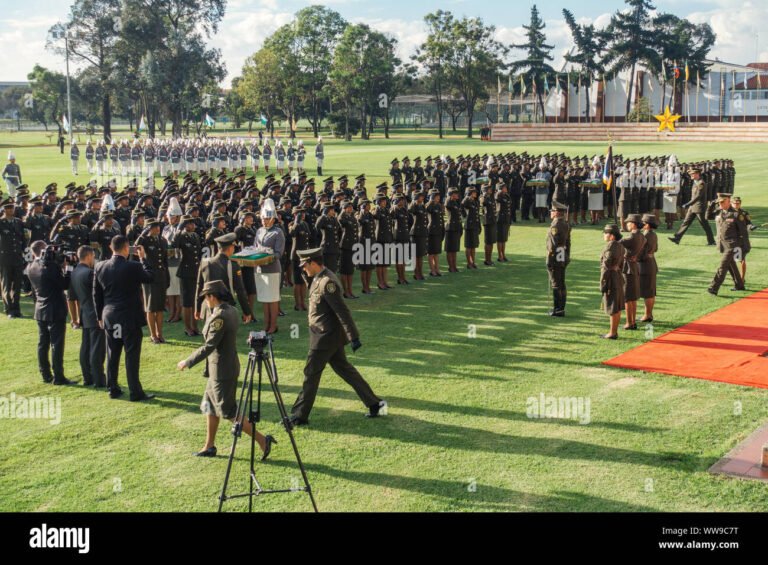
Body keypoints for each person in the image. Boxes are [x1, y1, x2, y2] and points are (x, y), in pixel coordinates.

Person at [178, 280, 276, 459]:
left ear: (212, 296)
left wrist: (188, 361)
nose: (205, 301)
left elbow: (209, 346)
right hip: (222, 369)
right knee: (209, 406)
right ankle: (209, 446)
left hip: (222, 371)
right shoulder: (231, 310)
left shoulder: (220, 317)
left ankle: (262, 440)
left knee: (229, 411)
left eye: (206, 297)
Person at [290, 247, 387, 426]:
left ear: (313, 262)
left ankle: (299, 415)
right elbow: (314, 292)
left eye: (305, 265)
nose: (303, 269)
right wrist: (306, 276)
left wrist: (353, 336)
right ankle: (375, 403)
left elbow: (342, 310)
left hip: (324, 337)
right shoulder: (318, 277)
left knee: (311, 374)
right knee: (345, 370)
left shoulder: (327, 282)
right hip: (327, 336)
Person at [93, 235, 156, 401]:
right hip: (129, 317)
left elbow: (96, 294)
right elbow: (150, 277)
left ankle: (112, 388)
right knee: (131, 355)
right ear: (127, 247)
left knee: (113, 353)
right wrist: (143, 259)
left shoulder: (100, 266)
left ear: (110, 247)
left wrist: (99, 315)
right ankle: (135, 391)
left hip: (110, 316)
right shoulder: (133, 266)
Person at [26, 241, 75, 385]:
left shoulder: (30, 266)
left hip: (40, 309)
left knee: (43, 343)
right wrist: (69, 268)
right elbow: (65, 284)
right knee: (57, 344)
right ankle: (58, 376)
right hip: (55, 309)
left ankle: (45, 374)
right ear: (43, 250)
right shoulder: (50, 266)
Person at [70, 245, 106, 387]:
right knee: (97, 350)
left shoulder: (74, 272)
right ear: (89, 256)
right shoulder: (90, 273)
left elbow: (71, 297)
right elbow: (99, 294)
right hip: (95, 315)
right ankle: (98, 380)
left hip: (84, 314)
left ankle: (87, 378)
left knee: (85, 348)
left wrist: (75, 318)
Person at [136, 220, 170, 343]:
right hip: (149, 276)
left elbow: (165, 261)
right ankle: (152, 335)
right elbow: (136, 247)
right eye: (154, 227)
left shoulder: (162, 240)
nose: (157, 229)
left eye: (158, 226)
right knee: (150, 307)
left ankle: (159, 333)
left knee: (160, 307)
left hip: (161, 276)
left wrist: (167, 277)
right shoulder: (145, 241)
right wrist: (143, 234)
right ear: (149, 228)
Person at [254, 200, 285, 334]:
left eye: (266, 218)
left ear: (273, 219)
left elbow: (279, 253)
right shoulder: (259, 231)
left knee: (272, 299)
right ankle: (266, 324)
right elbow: (255, 247)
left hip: (272, 269)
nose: (264, 221)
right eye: (262, 218)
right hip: (260, 269)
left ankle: (273, 325)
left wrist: (267, 255)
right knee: (264, 298)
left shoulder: (278, 232)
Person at [707, 193, 746, 296]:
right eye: (719, 202)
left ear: (728, 201)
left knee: (722, 266)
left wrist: (743, 246)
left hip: (732, 245)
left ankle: (713, 288)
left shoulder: (736, 214)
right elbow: (708, 216)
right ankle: (739, 285)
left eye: (722, 202)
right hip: (722, 244)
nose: (720, 204)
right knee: (730, 265)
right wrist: (711, 205)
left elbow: (743, 232)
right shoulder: (719, 211)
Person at [668, 168, 715, 246]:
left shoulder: (701, 183)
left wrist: (688, 204)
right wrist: (690, 205)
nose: (691, 176)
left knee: (705, 225)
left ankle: (712, 241)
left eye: (692, 174)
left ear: (697, 174)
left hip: (699, 207)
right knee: (686, 222)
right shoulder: (695, 182)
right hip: (693, 207)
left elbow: (698, 196)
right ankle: (677, 238)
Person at [0, 197, 27, 318]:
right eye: (8, 208)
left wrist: (25, 254)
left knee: (17, 285)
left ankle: (17, 308)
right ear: (4, 209)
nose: (11, 210)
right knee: (6, 284)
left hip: (17, 257)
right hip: (4, 257)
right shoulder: (1, 222)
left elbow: (23, 239)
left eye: (12, 207)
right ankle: (9, 309)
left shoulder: (19, 222)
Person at [620, 214, 646, 330]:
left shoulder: (631, 237)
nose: (627, 224)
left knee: (627, 297)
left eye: (628, 222)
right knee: (633, 298)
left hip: (628, 267)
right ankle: (632, 321)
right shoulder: (641, 236)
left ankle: (629, 322)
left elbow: (618, 243)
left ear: (634, 224)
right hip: (634, 266)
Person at [600, 224, 625, 340]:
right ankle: (613, 331)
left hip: (611, 278)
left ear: (612, 236)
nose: (604, 235)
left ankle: (612, 332)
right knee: (617, 306)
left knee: (613, 306)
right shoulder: (620, 246)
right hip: (618, 276)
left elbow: (606, 266)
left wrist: (603, 283)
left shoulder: (610, 247)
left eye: (606, 233)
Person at [546, 201, 571, 317]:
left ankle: (558, 309)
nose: (551, 213)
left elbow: (553, 245)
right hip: (562, 255)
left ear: (557, 213)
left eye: (552, 211)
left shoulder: (555, 225)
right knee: (561, 283)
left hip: (556, 256)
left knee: (556, 283)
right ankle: (561, 308)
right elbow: (568, 243)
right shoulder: (565, 224)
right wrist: (567, 256)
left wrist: (549, 260)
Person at [638, 213, 659, 323]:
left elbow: (641, 252)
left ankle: (647, 315)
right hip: (651, 263)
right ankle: (649, 314)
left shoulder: (645, 236)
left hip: (645, 265)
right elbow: (655, 249)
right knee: (650, 291)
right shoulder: (653, 234)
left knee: (647, 292)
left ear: (647, 225)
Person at [731, 196, 753, 284]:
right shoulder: (729, 213)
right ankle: (737, 278)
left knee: (742, 259)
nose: (736, 205)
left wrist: (751, 227)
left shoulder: (744, 213)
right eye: (735, 203)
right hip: (732, 240)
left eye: (738, 203)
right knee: (733, 260)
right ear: (731, 204)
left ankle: (742, 278)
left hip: (742, 240)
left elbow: (749, 223)